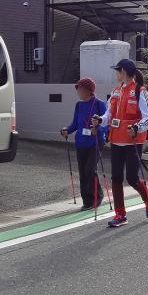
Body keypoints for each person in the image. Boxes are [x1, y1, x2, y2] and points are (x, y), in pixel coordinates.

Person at [92, 59, 148, 228]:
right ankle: (120, 214)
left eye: (117, 71)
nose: (116, 74)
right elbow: (109, 115)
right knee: (117, 178)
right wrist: (100, 120)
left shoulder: (140, 91)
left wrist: (137, 127)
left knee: (132, 178)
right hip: (116, 141)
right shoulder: (116, 91)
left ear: (124, 72)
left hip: (133, 141)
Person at [60, 78, 107, 210]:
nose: (78, 92)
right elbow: (75, 123)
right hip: (81, 142)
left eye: (81, 89)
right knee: (82, 172)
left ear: (89, 91)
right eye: (78, 89)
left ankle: (97, 197)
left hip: (95, 142)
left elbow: (106, 123)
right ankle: (87, 201)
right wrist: (67, 130)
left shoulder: (99, 104)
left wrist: (97, 129)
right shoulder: (79, 105)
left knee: (90, 170)